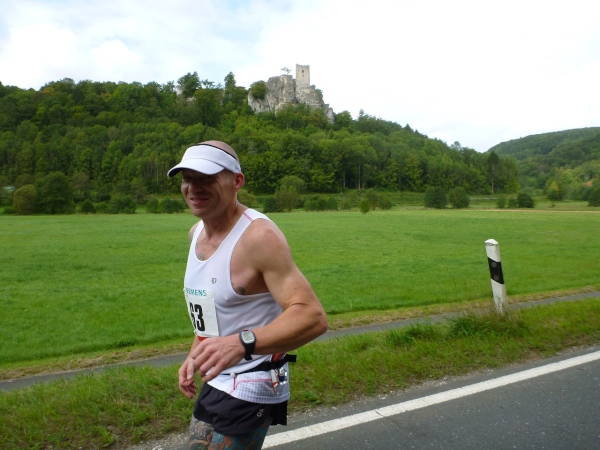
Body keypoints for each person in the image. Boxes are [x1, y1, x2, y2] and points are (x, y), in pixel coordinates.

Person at [167, 140, 328, 450]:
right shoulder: (196, 234)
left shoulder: (259, 236)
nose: (193, 188)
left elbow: (312, 317)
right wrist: (196, 352)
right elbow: (212, 308)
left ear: (237, 181)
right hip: (218, 374)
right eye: (187, 178)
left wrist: (241, 343)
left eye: (206, 178)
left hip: (253, 380)